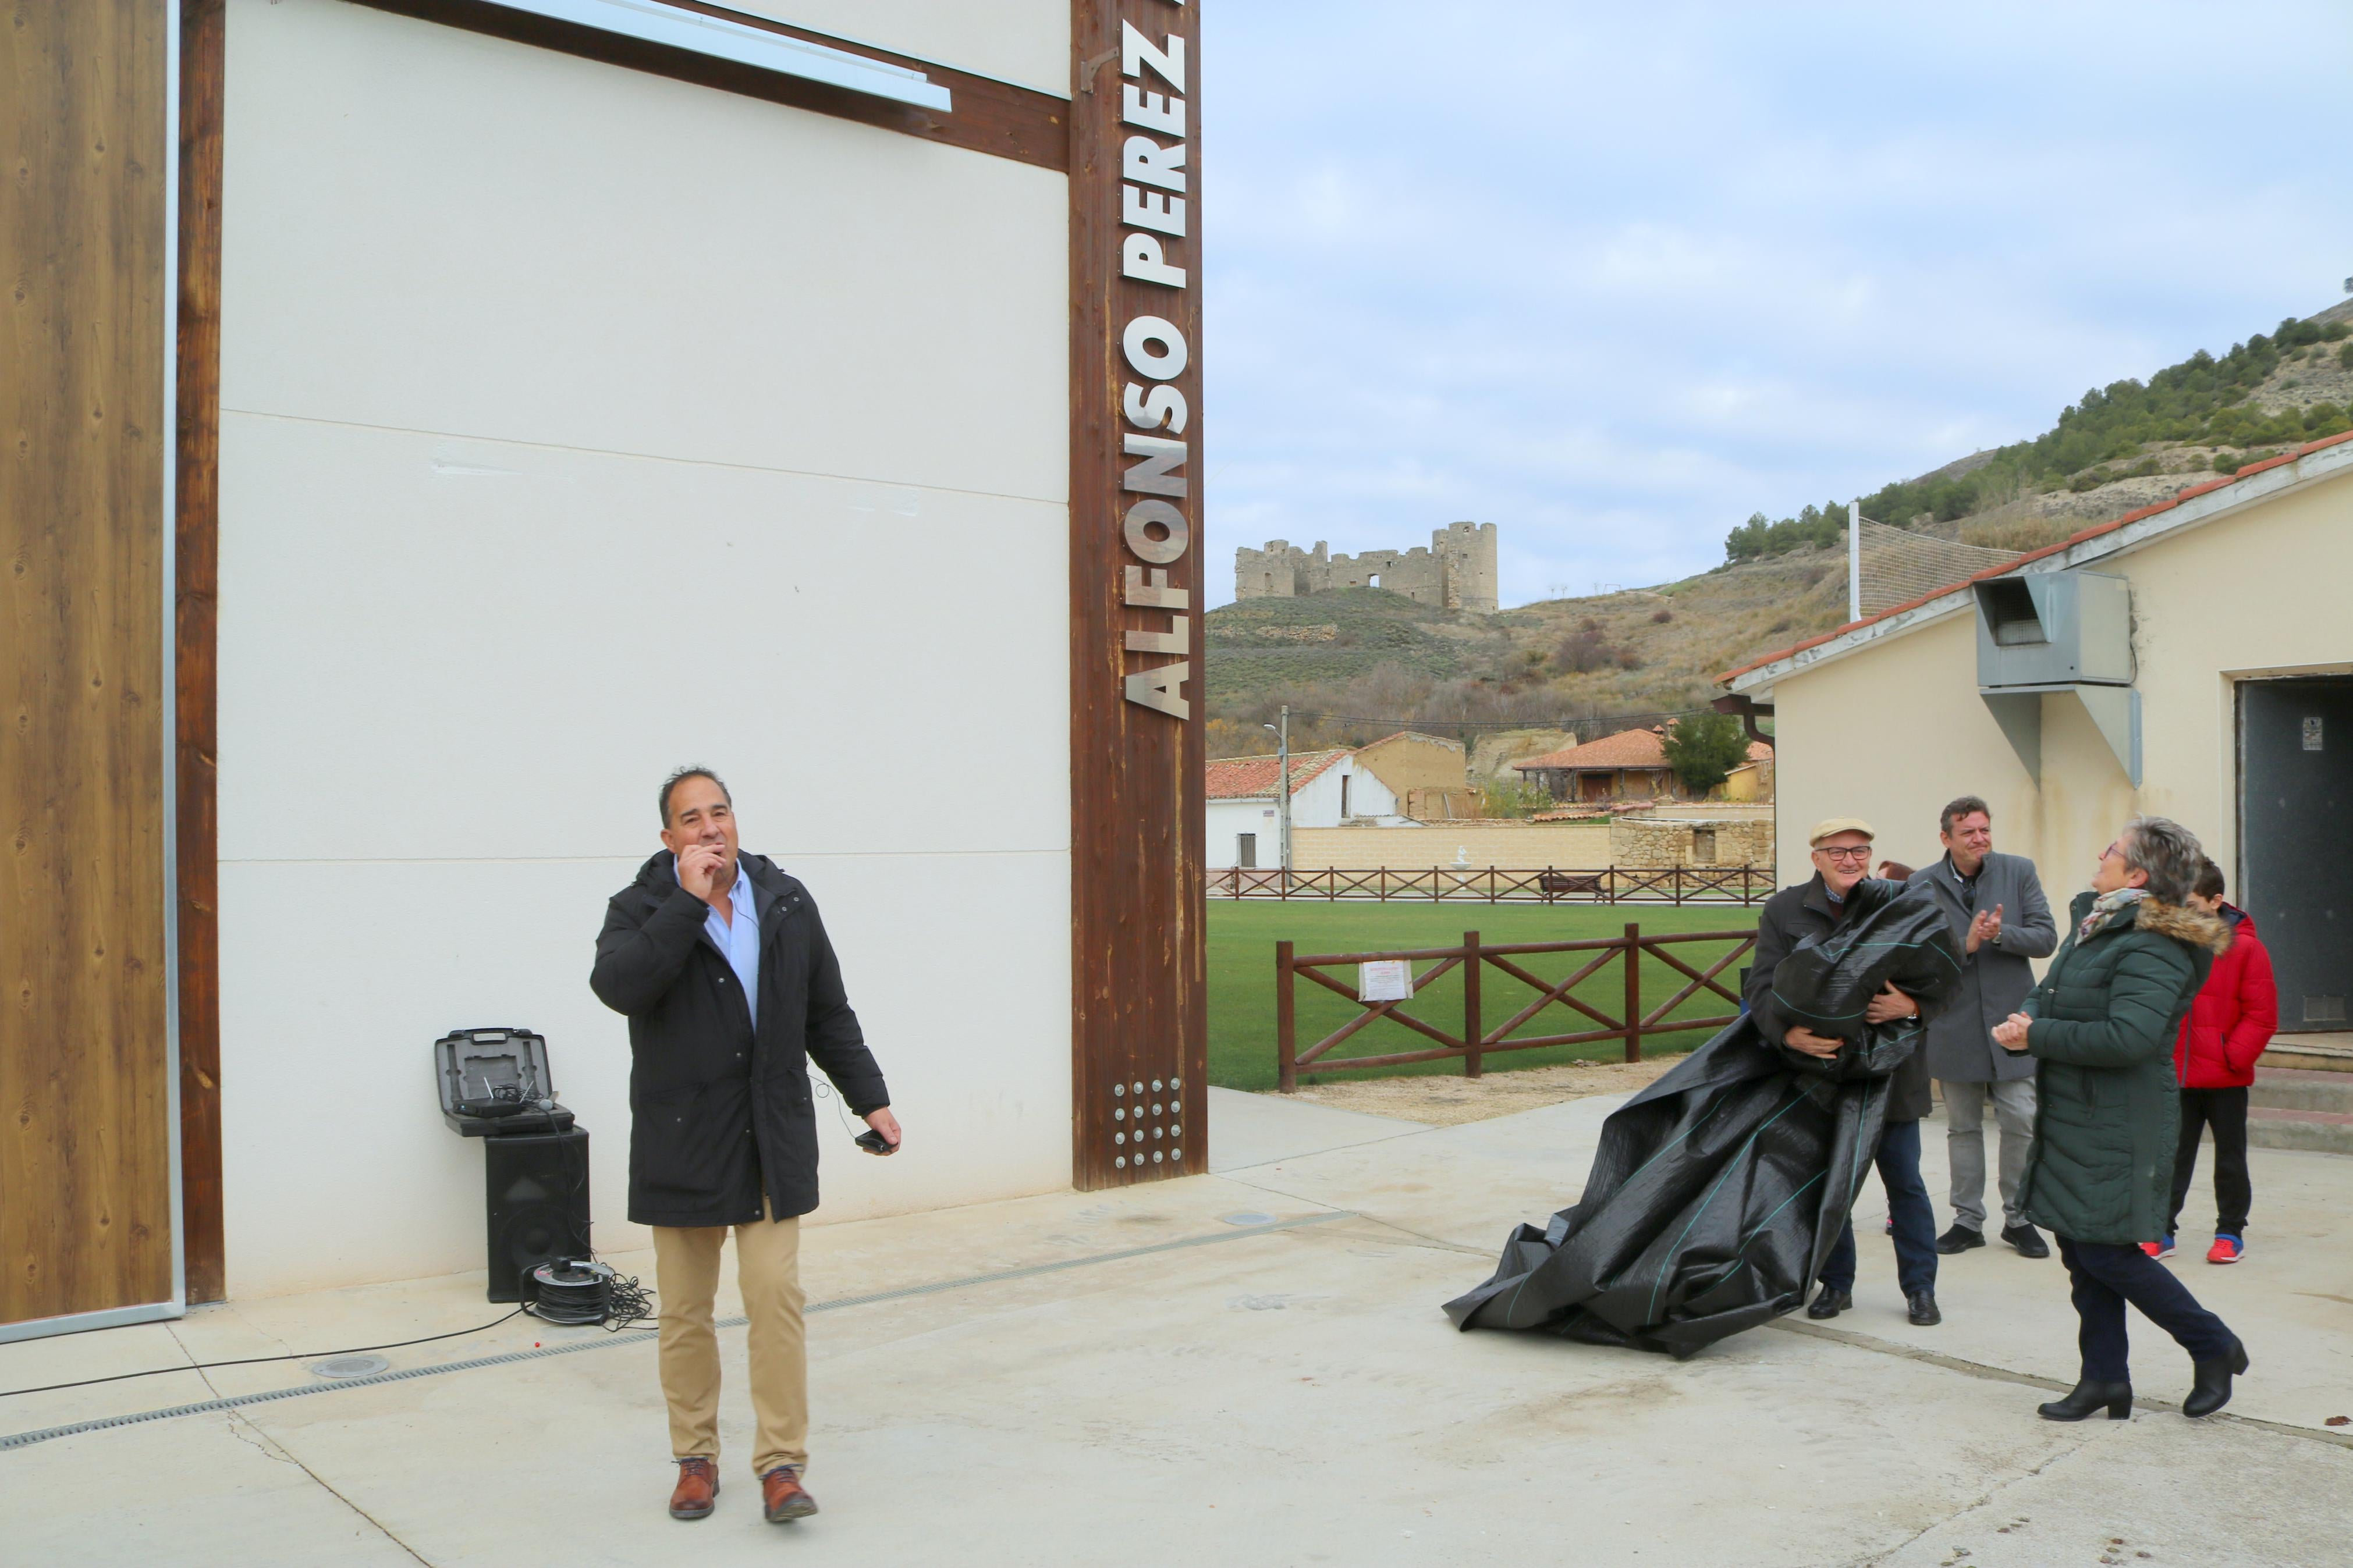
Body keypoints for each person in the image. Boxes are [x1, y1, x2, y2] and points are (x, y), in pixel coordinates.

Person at [591, 767, 903, 1523]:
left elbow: (827, 1008)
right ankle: (695, 1457)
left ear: (737, 820)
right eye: (690, 818)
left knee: (774, 1298)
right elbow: (620, 985)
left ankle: (781, 1464)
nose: (709, 827)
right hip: (682, 1140)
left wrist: (873, 1097)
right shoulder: (639, 907)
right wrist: (685, 903)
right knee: (685, 1311)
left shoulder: (786, 901)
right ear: (668, 838)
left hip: (771, 1134)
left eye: (719, 811)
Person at [1993, 816, 2246, 1420]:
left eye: (2110, 849)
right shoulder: (2098, 924)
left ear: (2136, 873)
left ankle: (2212, 1344)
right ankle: (2104, 1379)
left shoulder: (2153, 942)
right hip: (2079, 1110)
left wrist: (2039, 1035)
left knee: (2106, 1252)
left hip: (2120, 1117)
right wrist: (2022, 1024)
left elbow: (2130, 1037)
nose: (2097, 854)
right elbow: (2048, 990)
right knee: (2081, 1253)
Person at [1747, 819, 1941, 1328]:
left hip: (1892, 1071)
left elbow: (1947, 974)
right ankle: (1836, 1284)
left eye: (1860, 851)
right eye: (1838, 852)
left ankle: (1921, 1288)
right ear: (1816, 858)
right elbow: (1761, 986)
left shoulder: (1901, 901)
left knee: (1905, 1183)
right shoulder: (1784, 908)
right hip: (1822, 1070)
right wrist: (1786, 1036)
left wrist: (1914, 1004)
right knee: (1830, 1183)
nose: (1850, 860)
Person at [1919, 796, 2057, 1259]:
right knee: (1962, 1126)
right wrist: (1967, 944)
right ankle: (1966, 1219)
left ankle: (2019, 1218)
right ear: (1946, 838)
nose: (1979, 838)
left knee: (2020, 1118)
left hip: (2012, 1021)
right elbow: (1917, 955)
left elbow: (2045, 937)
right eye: (1968, 832)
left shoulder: (2018, 871)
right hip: (1953, 1022)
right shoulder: (1921, 884)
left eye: (1984, 829)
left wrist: (2001, 934)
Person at [2156, 856, 2276, 1265]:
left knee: (2229, 1158)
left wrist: (2231, 1056)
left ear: (2215, 900)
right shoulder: (2171, 943)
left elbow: (2261, 1015)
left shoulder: (2246, 948)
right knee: (2170, 1155)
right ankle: (2161, 1229)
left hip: (2225, 1077)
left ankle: (2229, 1231)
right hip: (2177, 1073)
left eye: (2189, 902)